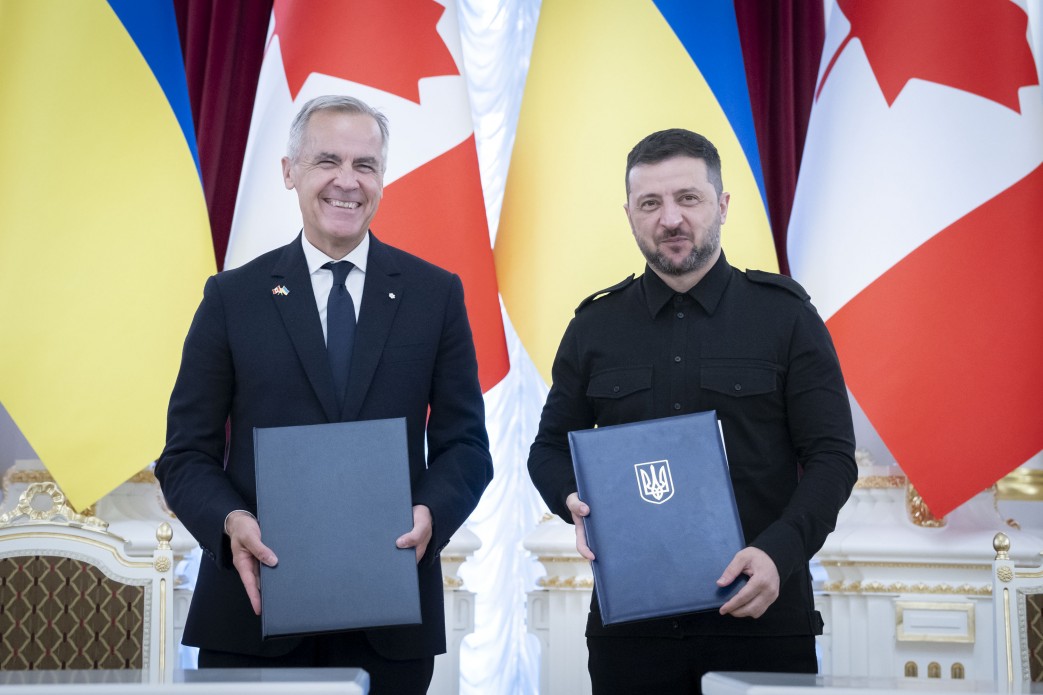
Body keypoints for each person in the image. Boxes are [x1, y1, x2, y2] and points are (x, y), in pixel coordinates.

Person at [156, 95, 493, 694]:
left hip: (391, 620)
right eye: (327, 161)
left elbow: (466, 446)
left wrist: (430, 514)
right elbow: (185, 455)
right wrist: (231, 521)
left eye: (365, 164)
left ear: (383, 178)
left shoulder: (434, 294)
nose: (347, 181)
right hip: (251, 616)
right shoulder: (231, 298)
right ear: (290, 172)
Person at [527, 128, 857, 694]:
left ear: (722, 206)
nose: (670, 219)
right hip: (631, 632)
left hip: (763, 622)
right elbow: (548, 449)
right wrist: (570, 500)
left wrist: (780, 552)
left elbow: (831, 457)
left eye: (688, 198)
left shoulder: (787, 318)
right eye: (650, 203)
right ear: (629, 214)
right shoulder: (593, 328)